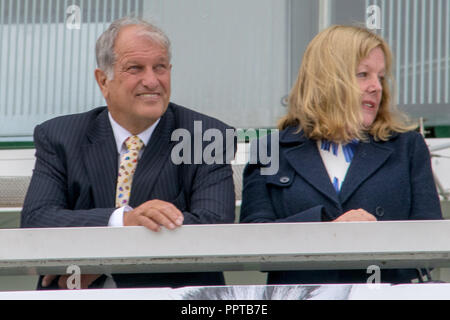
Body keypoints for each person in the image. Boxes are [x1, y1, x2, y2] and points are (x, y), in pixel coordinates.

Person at [21, 16, 236, 289]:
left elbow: (213, 227)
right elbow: (36, 220)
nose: (151, 81)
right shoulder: (60, 136)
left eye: (160, 68)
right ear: (103, 81)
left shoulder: (206, 137)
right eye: (135, 68)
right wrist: (122, 220)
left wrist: (104, 264)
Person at [240, 25, 442, 284]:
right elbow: (253, 243)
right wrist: (326, 225)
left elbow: (430, 242)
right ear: (326, 79)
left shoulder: (407, 146)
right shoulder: (271, 150)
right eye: (362, 74)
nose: (376, 87)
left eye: (380, 77)